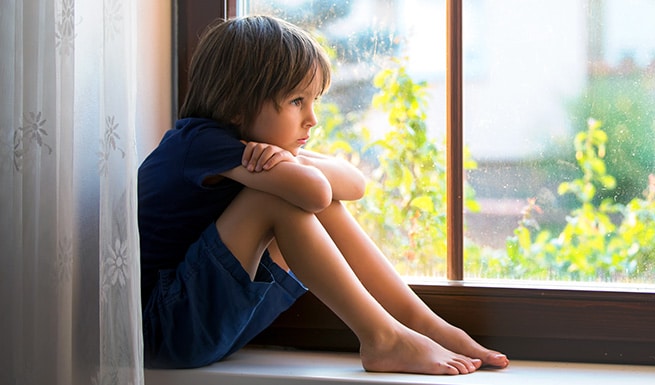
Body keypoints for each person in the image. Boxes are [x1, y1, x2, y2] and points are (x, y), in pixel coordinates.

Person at [138, 14, 509, 375]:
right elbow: (314, 192)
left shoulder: (256, 148)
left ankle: (419, 322)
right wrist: (292, 165)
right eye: (297, 101)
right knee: (278, 197)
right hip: (164, 329)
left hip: (203, 324)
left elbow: (354, 184)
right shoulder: (200, 143)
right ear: (236, 106)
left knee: (305, 193)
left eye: (314, 101)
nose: (312, 119)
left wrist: (290, 160)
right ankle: (381, 337)